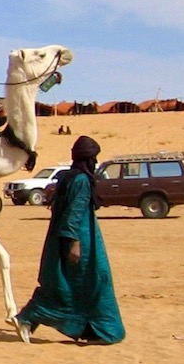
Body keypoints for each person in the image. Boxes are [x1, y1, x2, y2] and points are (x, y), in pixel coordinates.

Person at [14, 136, 125, 345]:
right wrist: (74, 243)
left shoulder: (67, 177)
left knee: (64, 283)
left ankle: (31, 319)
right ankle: (103, 331)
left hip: (63, 239)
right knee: (92, 282)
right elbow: (74, 212)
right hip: (81, 242)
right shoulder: (81, 180)